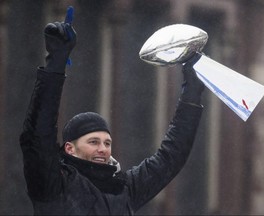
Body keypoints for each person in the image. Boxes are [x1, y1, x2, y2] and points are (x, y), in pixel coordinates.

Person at [20, 7, 205, 215]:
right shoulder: (54, 183)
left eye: (107, 143)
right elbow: (37, 136)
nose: (103, 149)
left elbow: (171, 156)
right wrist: (55, 64)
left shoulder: (125, 188)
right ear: (70, 149)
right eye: (93, 142)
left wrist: (191, 94)